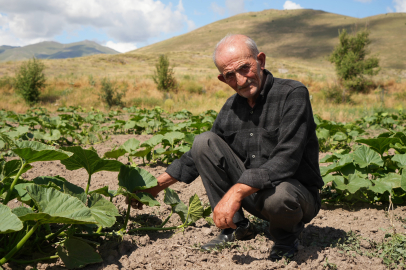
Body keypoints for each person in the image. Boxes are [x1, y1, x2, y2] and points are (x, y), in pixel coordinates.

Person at [128, 34, 323, 261]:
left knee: (279, 196)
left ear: (260, 60)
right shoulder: (230, 107)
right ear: (222, 79)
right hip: (254, 196)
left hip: (295, 196)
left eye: (244, 68)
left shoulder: (292, 94)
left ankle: (286, 238)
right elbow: (196, 156)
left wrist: (236, 191)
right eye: (230, 75)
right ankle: (235, 227)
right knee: (203, 141)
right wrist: (154, 187)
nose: (240, 80)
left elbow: (287, 158)